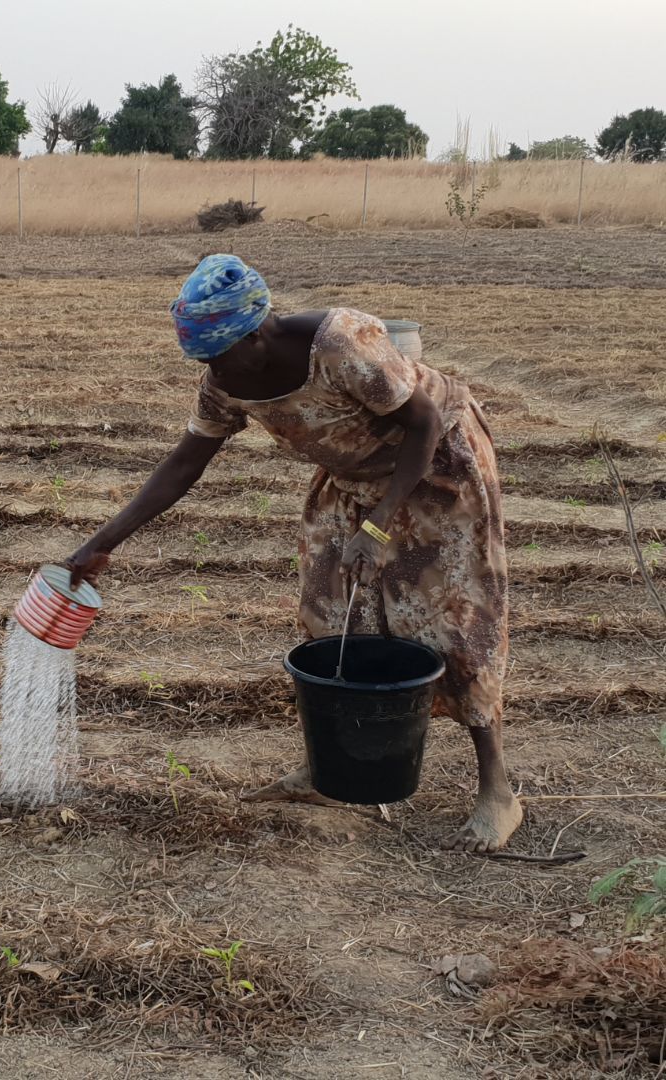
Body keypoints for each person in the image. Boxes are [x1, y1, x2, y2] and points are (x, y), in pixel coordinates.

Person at [65, 254, 522, 853]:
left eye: (220, 355)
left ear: (256, 335)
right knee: (327, 617)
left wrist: (381, 525)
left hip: (438, 466)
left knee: (454, 620)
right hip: (351, 478)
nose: (214, 373)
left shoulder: (342, 346)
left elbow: (426, 420)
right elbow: (184, 464)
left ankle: (497, 789)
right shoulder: (225, 383)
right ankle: (330, 772)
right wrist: (102, 542)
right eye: (203, 360)